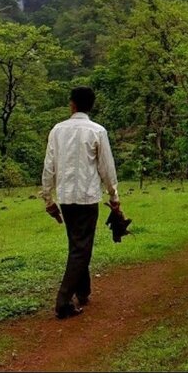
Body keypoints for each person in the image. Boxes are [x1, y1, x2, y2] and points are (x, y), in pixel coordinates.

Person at [41, 85, 121, 319]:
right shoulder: (97, 131)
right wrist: (114, 196)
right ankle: (63, 301)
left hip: (66, 197)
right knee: (81, 248)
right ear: (90, 106)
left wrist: (48, 198)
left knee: (77, 244)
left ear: (72, 104)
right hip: (87, 197)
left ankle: (83, 291)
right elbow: (106, 168)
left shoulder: (57, 130)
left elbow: (49, 166)